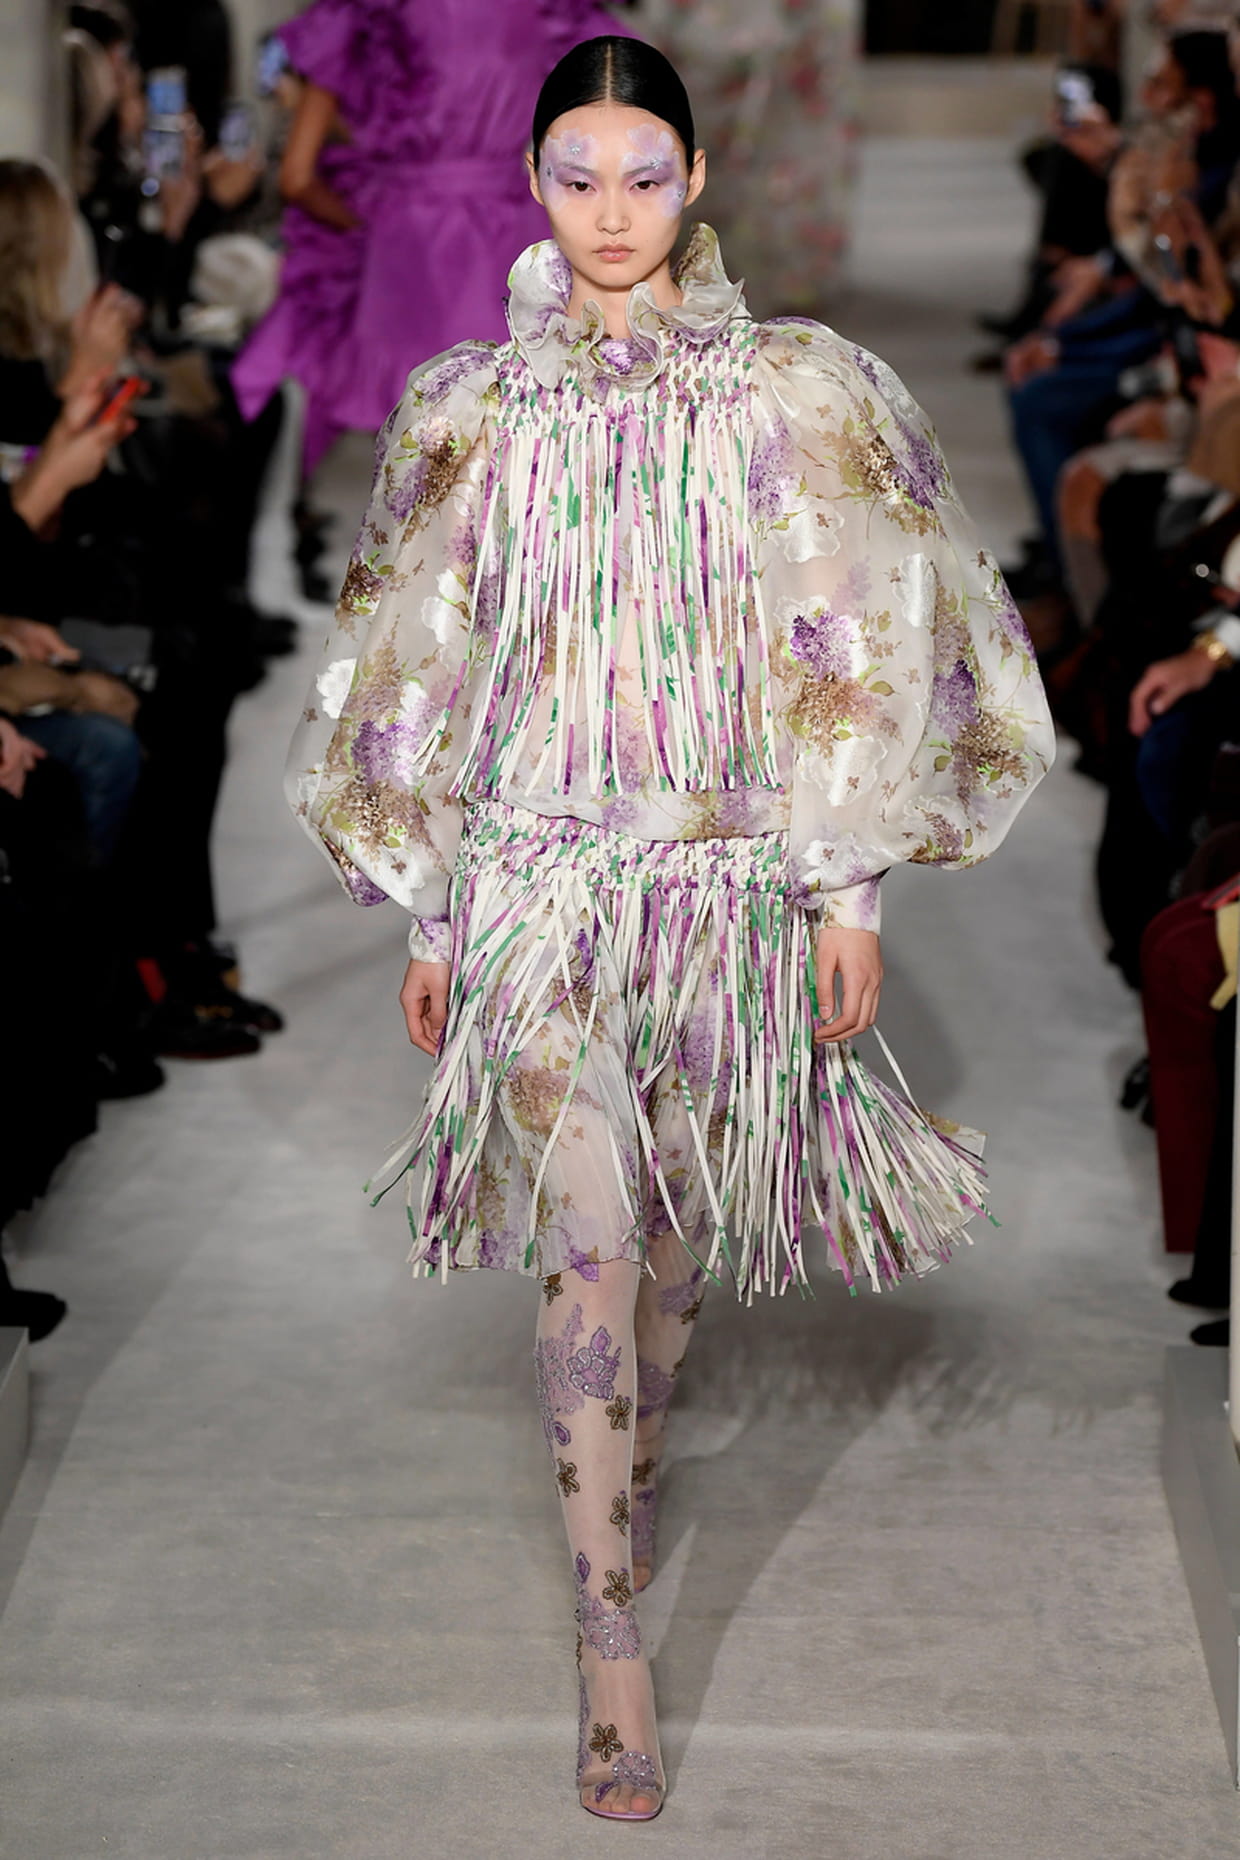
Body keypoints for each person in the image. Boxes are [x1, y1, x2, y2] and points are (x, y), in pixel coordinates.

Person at [288, 36, 1055, 1821]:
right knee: (589, 1241)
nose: (613, 212)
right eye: (578, 177)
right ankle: (609, 1643)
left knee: (679, 1233)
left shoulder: (794, 389)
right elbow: (417, 657)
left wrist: (844, 883)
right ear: (533, 185)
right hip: (538, 880)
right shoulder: (472, 407)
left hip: (724, 883)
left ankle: (626, 1468)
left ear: (697, 181)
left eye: (645, 175)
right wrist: (429, 913)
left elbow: (856, 634)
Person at [233, 0, 632, 474]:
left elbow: (296, 178)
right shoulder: (551, 9)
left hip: (409, 256)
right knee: (513, 465)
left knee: (414, 476)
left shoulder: (368, 11)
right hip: (514, 243)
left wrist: (369, 229)